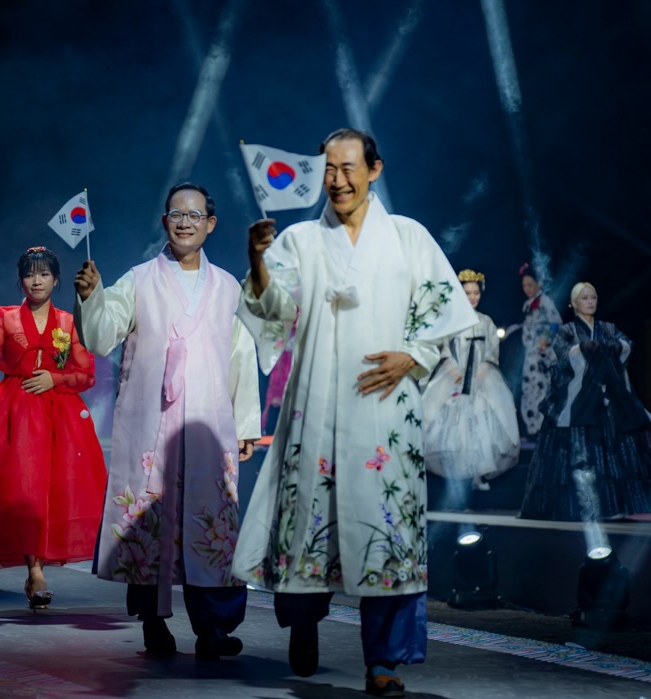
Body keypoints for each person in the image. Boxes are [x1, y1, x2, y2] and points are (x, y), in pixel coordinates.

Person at [232, 128, 476, 695]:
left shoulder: (409, 238)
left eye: (348, 168)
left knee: (383, 526)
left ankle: (383, 660)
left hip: (386, 408)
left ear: (374, 169)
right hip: (316, 402)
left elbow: (441, 310)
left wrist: (411, 356)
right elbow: (274, 311)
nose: (337, 180)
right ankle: (303, 621)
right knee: (308, 523)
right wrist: (259, 262)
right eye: (329, 170)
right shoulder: (297, 240)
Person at [73, 183, 261, 661]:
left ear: (210, 224)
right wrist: (93, 298)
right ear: (164, 221)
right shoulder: (138, 280)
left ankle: (215, 628)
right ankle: (153, 622)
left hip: (206, 422)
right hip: (151, 422)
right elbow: (101, 336)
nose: (185, 222)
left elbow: (241, 355)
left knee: (212, 520)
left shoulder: (226, 287)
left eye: (194, 215)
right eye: (176, 214)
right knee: (147, 520)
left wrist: (244, 425)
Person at [0, 247, 106, 609]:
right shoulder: (3, 317)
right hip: (13, 416)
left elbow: (86, 375)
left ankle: (38, 569)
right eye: (31, 275)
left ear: (56, 279)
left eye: (44, 274)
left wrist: (56, 377)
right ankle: (35, 572)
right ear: (20, 280)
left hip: (58, 418)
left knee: (50, 494)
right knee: (25, 492)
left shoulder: (68, 322)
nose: (37, 281)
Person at [520, 282, 651, 521]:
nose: (590, 301)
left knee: (612, 454)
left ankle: (614, 505)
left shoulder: (608, 328)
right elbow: (559, 361)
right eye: (585, 298)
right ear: (573, 303)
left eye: (593, 297)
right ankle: (583, 506)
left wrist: (608, 349)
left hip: (607, 401)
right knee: (581, 455)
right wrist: (581, 350)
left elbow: (627, 346)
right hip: (579, 403)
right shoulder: (567, 330)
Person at [421, 269, 519, 500]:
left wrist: (481, 372)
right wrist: (453, 368)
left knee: (481, 425)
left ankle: (478, 474)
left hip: (480, 378)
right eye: (467, 293)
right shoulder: (451, 321)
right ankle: (458, 477)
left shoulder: (486, 321)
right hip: (455, 376)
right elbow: (443, 348)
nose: (472, 297)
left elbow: (492, 351)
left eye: (475, 293)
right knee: (454, 428)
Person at [518, 264, 562, 438]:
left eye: (530, 285)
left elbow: (555, 322)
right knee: (529, 389)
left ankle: (544, 427)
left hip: (543, 355)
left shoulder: (545, 301)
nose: (527, 289)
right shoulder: (527, 304)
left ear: (538, 284)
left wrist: (545, 339)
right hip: (530, 355)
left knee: (542, 388)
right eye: (524, 286)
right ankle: (532, 426)